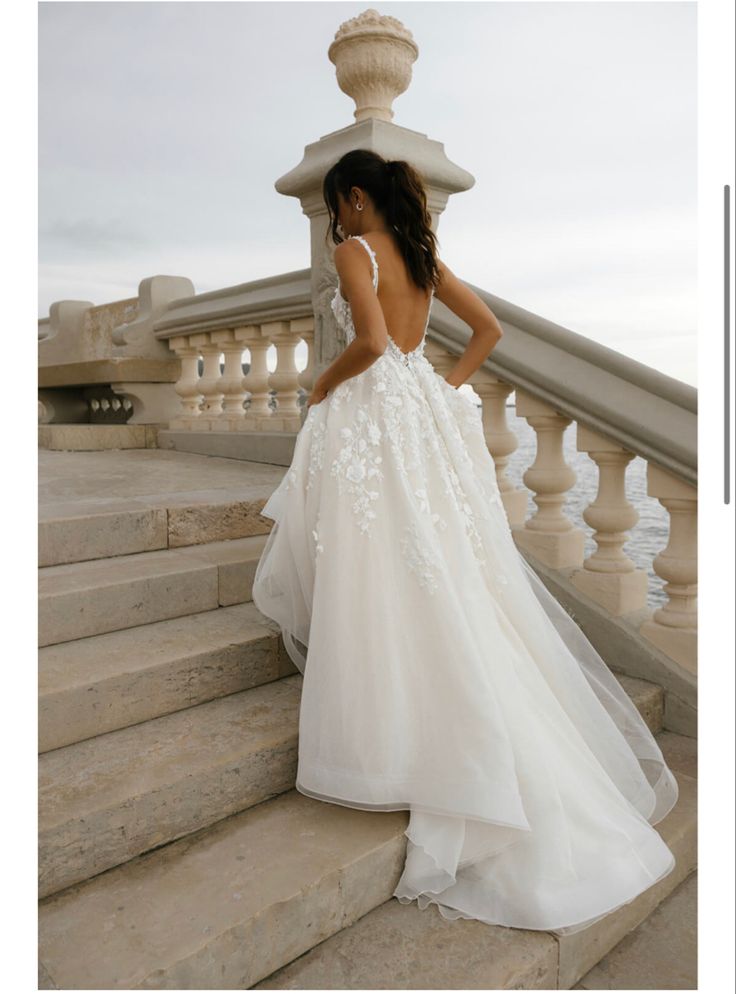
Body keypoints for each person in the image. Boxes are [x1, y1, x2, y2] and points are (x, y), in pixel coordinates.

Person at [251, 149, 678, 935]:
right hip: (417, 414)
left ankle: (393, 741)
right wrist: (438, 388)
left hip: (372, 412)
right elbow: (488, 330)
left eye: (333, 208)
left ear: (351, 199)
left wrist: (321, 386)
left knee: (377, 566)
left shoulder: (356, 251)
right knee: (431, 567)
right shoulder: (419, 253)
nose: (334, 225)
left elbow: (372, 344)